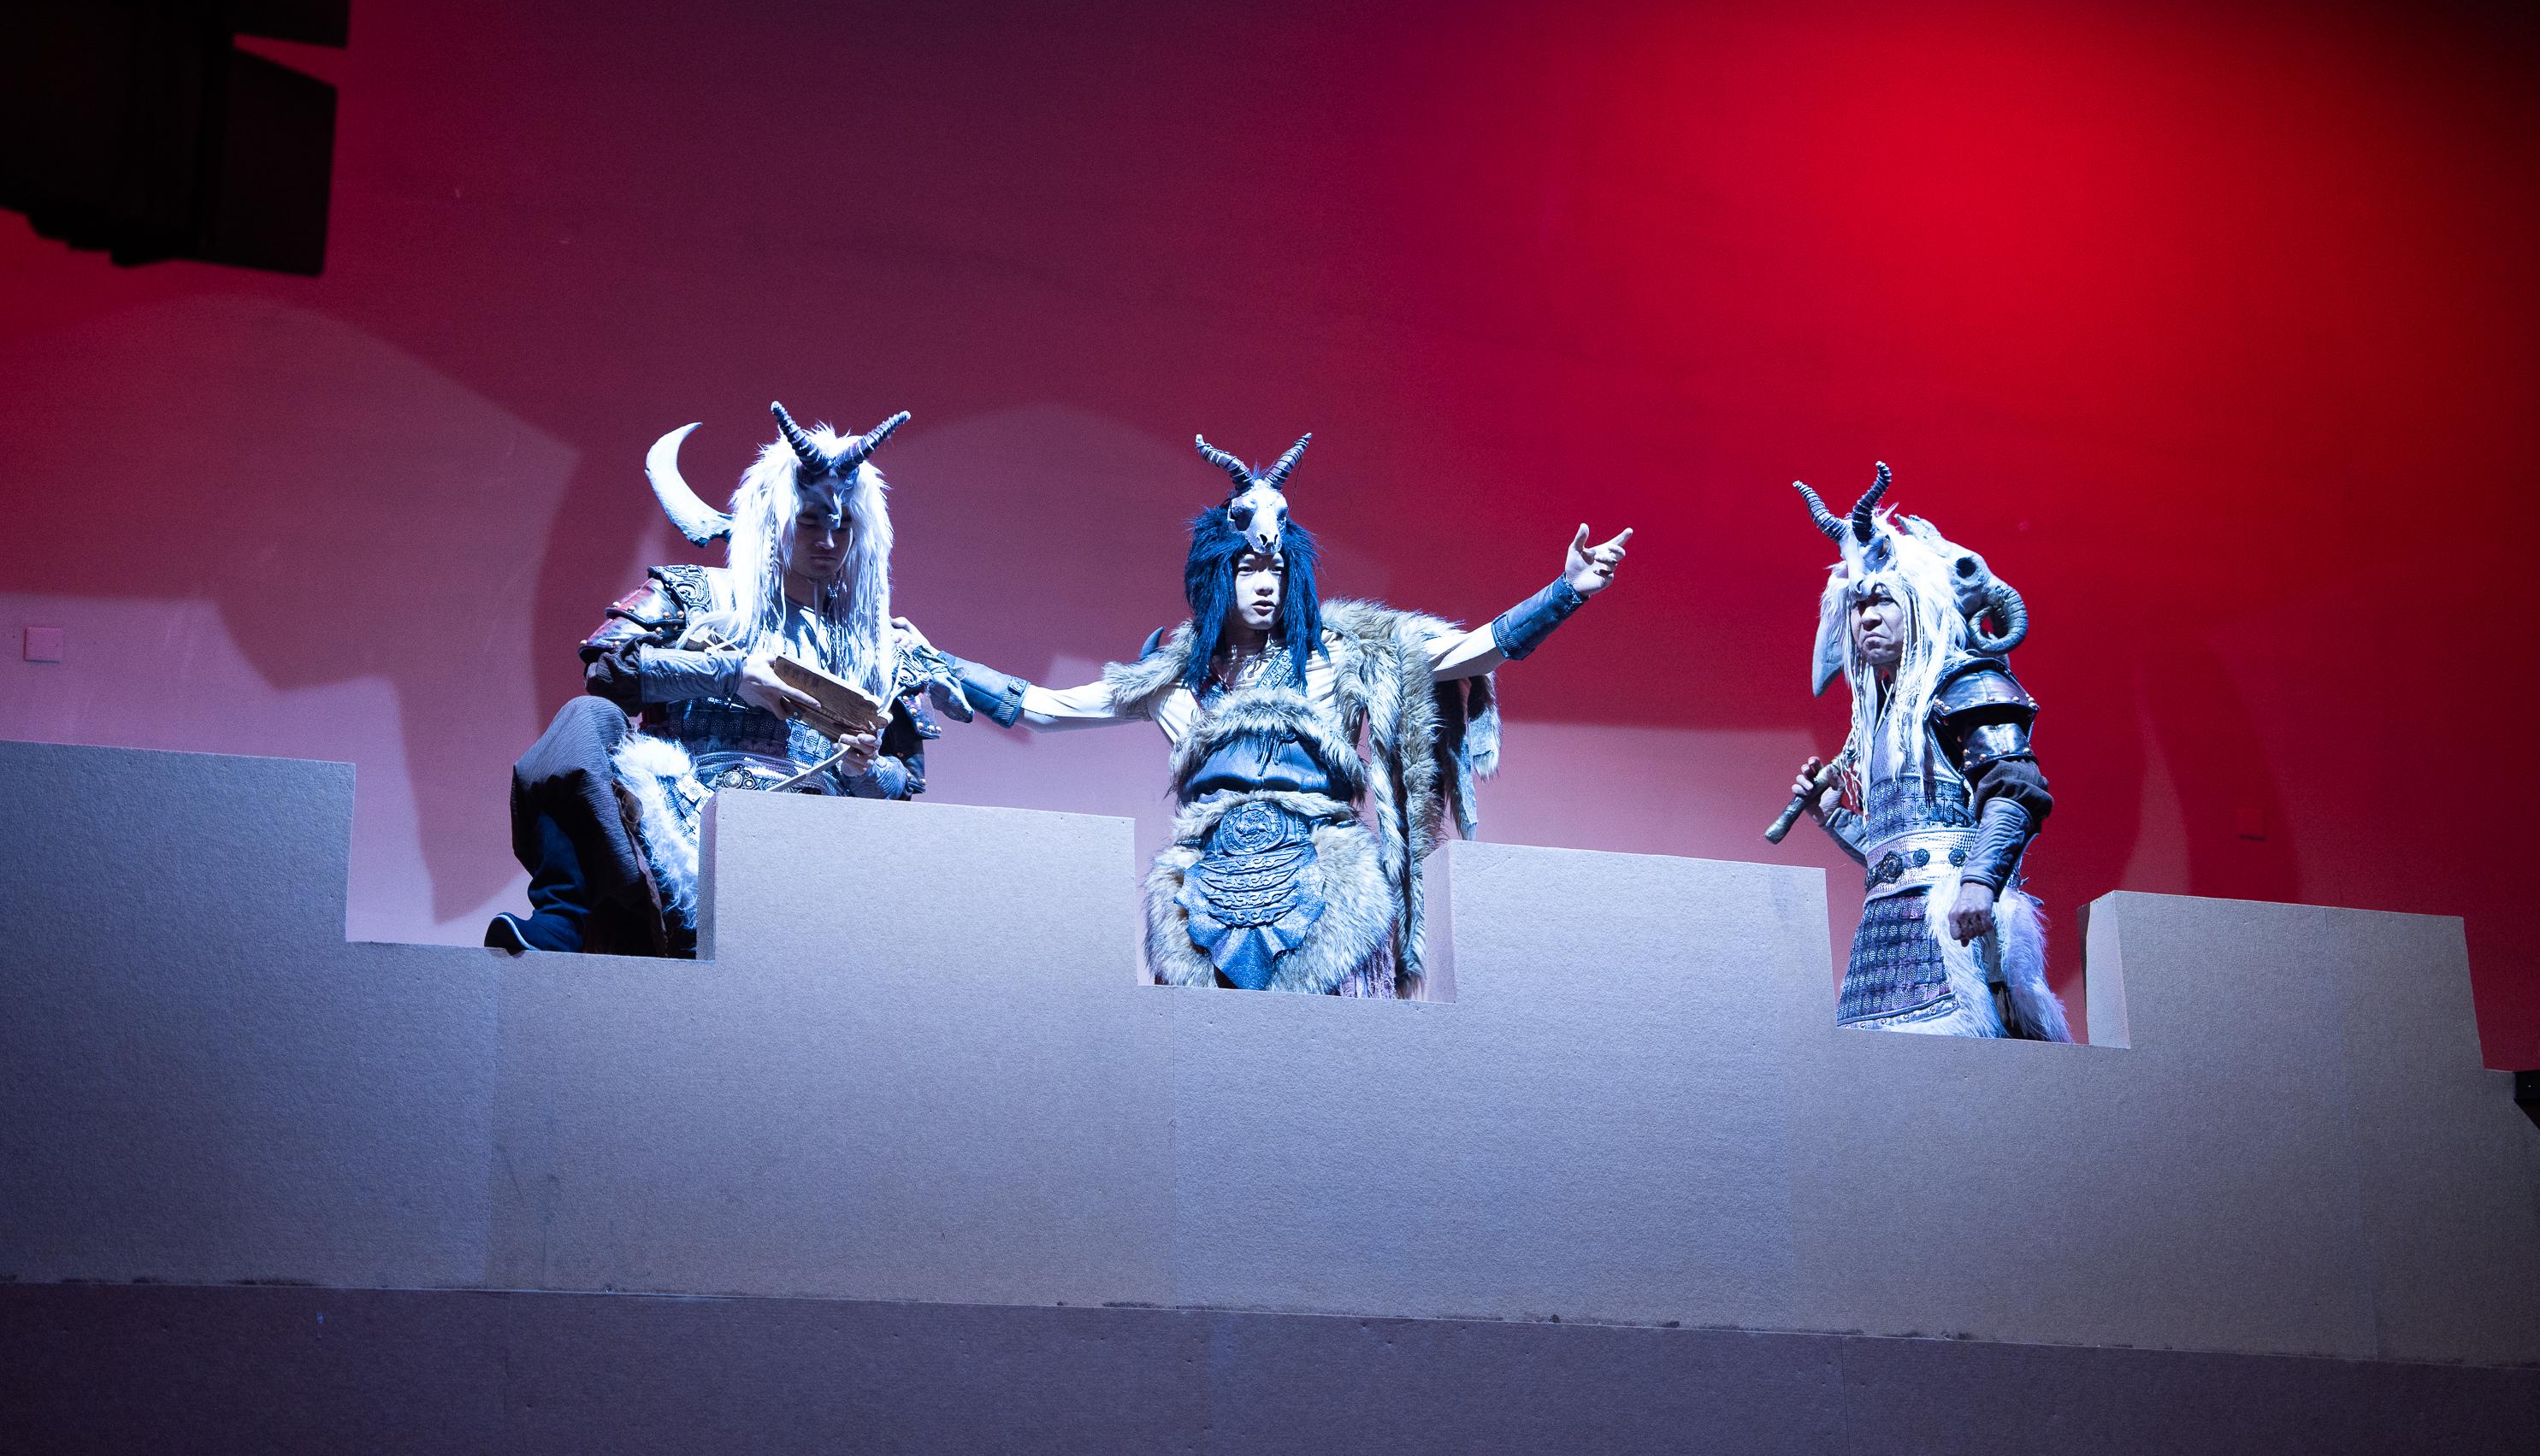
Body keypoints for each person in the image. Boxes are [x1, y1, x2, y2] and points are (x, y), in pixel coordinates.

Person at [942, 433, 1630, 996]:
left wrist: (1565, 591)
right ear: (1218, 576)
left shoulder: (1343, 656)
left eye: (1275, 570)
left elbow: (1466, 652)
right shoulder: (1173, 682)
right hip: (1202, 899)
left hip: (1329, 889)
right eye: (1247, 569)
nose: (1265, 584)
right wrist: (938, 662)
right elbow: (1048, 708)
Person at [484, 402, 966, 958]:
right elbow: (607, 668)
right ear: (774, 519)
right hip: (676, 830)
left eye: (843, 525)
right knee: (585, 719)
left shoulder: (878, 642)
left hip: (811, 852)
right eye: (810, 521)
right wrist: (729, 674)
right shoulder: (694, 592)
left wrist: (865, 767)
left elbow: (904, 783)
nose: (828, 541)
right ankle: (559, 920)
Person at [1787, 463, 2070, 1038]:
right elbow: (1901, 857)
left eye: (1884, 601)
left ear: (1919, 605)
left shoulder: (1966, 683)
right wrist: (1832, 814)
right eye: (1857, 606)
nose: (1867, 617)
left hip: (1958, 927)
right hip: (1885, 936)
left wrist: (1978, 883)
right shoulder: (1884, 715)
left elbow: (2015, 793)